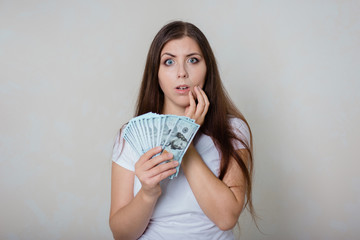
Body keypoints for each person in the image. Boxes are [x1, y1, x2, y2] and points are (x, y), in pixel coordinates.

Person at [109, 21, 255, 240]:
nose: (181, 73)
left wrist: (183, 136)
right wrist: (148, 193)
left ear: (208, 69)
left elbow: (226, 218)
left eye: (193, 60)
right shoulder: (131, 135)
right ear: (155, 73)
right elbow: (121, 234)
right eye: (169, 62)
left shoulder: (233, 130)